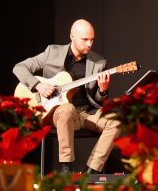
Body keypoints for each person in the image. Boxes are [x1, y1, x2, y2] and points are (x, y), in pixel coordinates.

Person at [13, 19, 121, 174]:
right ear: (72, 37)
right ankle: (66, 169)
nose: (89, 44)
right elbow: (19, 68)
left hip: (87, 113)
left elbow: (98, 100)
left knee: (115, 122)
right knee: (67, 109)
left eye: (92, 40)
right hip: (58, 112)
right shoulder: (52, 52)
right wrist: (38, 85)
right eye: (85, 39)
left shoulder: (99, 62)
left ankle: (91, 171)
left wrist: (103, 91)